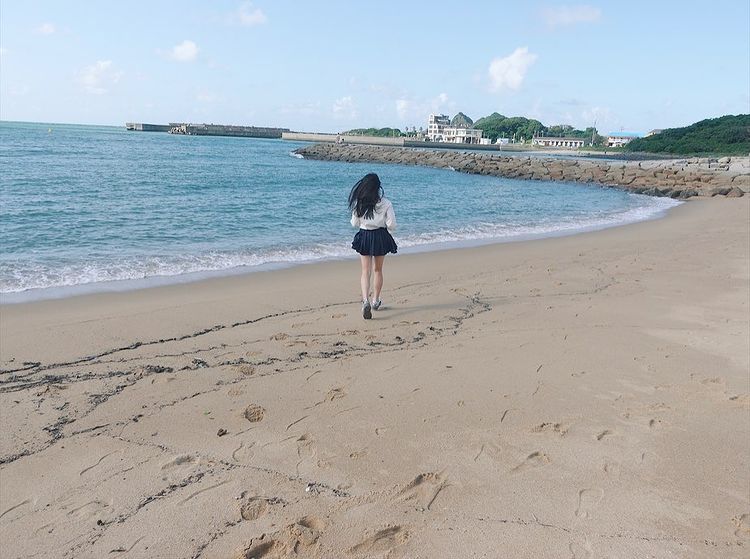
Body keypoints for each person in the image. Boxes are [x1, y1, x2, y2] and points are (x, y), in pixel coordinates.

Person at [348, 173, 397, 319]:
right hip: (380, 236)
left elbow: (354, 223)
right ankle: (375, 300)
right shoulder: (386, 203)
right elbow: (392, 225)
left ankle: (365, 301)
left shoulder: (360, 202)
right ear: (378, 187)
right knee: (378, 270)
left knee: (365, 271)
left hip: (365, 235)